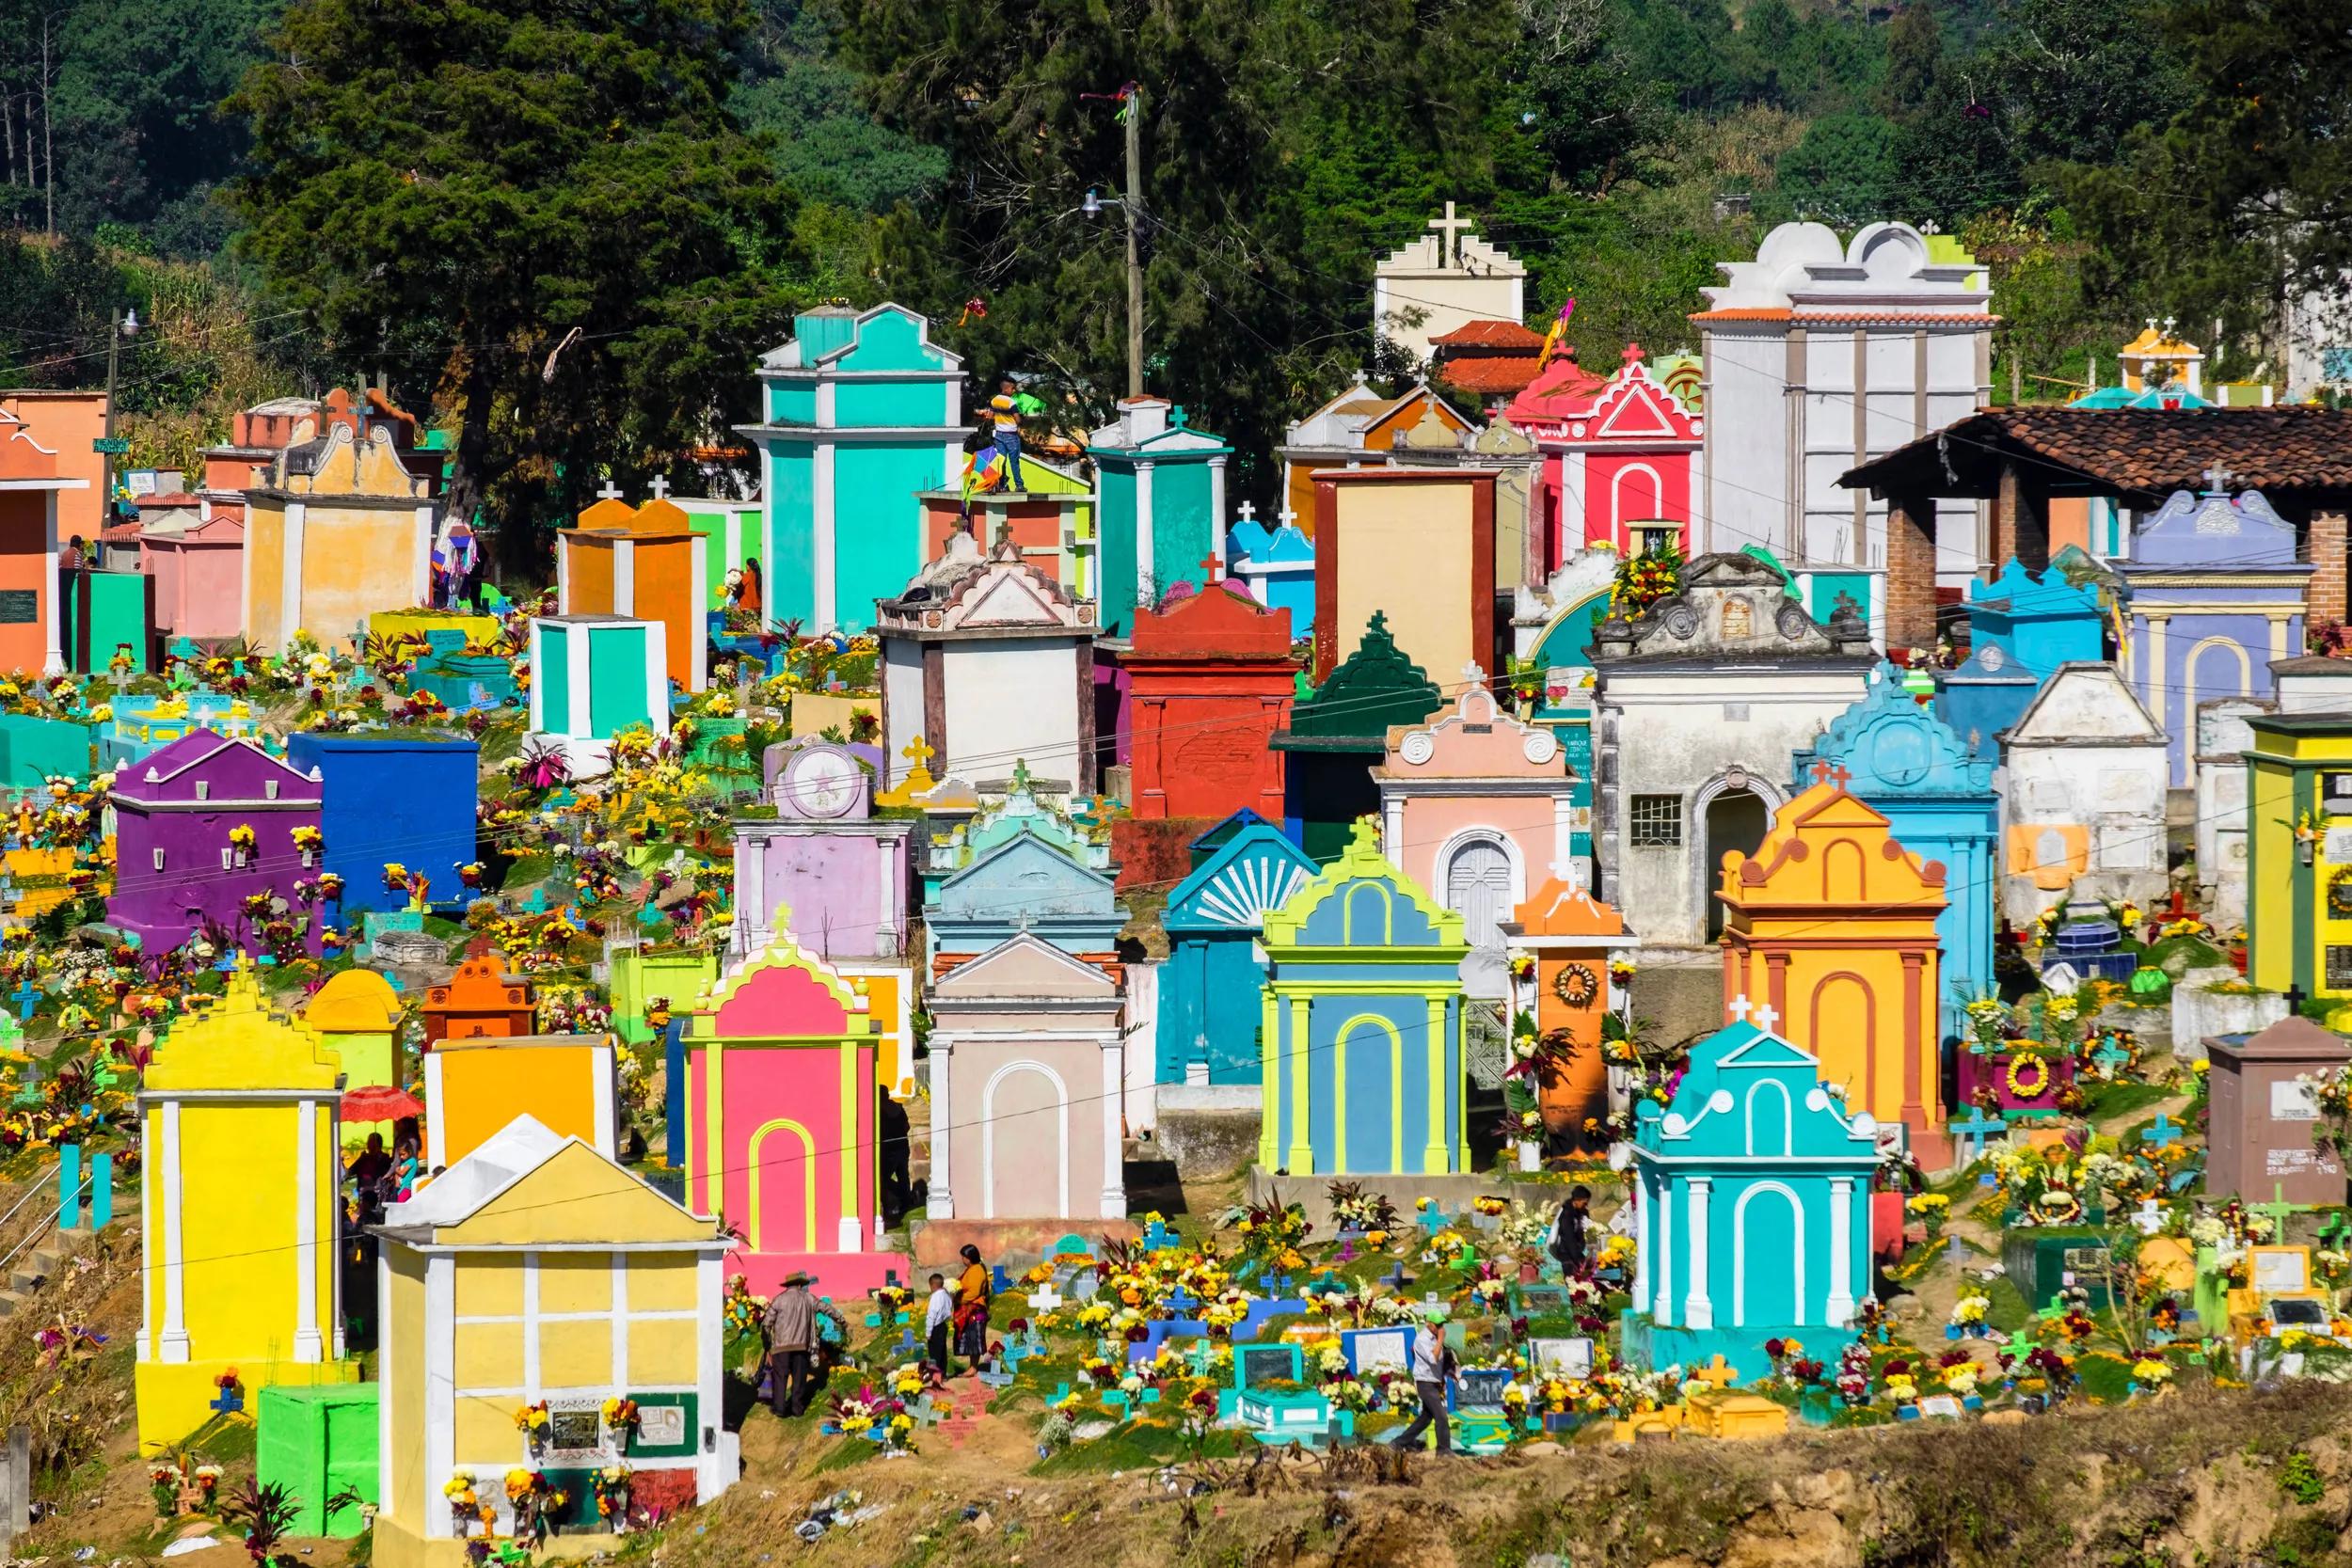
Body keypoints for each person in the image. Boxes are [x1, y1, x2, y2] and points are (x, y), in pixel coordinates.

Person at [1391, 1306, 1455, 1454]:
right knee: (1441, 1416)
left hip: (1432, 1382)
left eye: (1441, 1325)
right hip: (1424, 1383)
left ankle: (1398, 1443)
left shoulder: (1433, 1338)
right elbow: (1433, 1359)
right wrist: (1440, 1339)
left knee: (1426, 1418)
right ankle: (1443, 1450)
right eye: (1437, 1325)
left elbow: (1439, 1361)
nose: (1440, 1328)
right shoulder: (1422, 1339)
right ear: (1428, 1324)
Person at [765, 1273, 819, 1418]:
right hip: (801, 1345)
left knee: (780, 1377)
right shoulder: (808, 1298)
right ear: (800, 1285)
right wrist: (842, 1321)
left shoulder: (778, 1300)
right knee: (799, 1377)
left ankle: (780, 1408)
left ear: (787, 1285)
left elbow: (766, 1325)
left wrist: (767, 1345)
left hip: (781, 1346)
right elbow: (825, 1308)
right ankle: (797, 1409)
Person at [952, 1243, 991, 1370]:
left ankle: (973, 1368)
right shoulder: (972, 1269)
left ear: (969, 1257)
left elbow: (974, 1292)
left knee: (974, 1337)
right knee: (970, 1337)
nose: (962, 1260)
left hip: (975, 1309)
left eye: (963, 1257)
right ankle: (971, 1367)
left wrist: (958, 1300)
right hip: (969, 1308)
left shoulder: (977, 1270)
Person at [989, 379, 1026, 491]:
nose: (1014, 390)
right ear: (1006, 389)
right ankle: (1019, 485)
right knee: (1014, 461)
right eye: (1012, 388)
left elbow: (990, 416)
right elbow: (1017, 420)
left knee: (1001, 461)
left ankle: (1002, 485)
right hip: (1011, 436)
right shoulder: (1011, 402)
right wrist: (1022, 418)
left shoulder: (994, 401)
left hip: (999, 435)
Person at [1550, 1184, 1591, 1275]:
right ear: (1577, 1200)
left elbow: (1581, 1231)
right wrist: (1577, 1259)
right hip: (1566, 1253)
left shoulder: (1579, 1212)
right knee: (1572, 1280)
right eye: (1584, 1203)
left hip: (1575, 1252)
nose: (1586, 1205)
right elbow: (1569, 1239)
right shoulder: (1567, 1215)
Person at [924, 1272, 955, 1377]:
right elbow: (950, 1308)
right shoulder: (946, 1295)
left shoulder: (935, 1297)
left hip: (935, 1328)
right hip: (943, 1326)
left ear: (933, 1285)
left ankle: (936, 1375)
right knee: (942, 1352)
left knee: (934, 1353)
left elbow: (931, 1315)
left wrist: (928, 1332)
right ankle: (943, 1373)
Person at [346, 1132, 394, 1196]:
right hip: (363, 1192)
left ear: (377, 1144)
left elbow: (384, 1173)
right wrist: (360, 1159)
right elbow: (350, 1172)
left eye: (370, 1141)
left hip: (377, 1191)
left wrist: (376, 1158)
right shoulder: (364, 1158)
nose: (367, 1144)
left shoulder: (384, 1157)